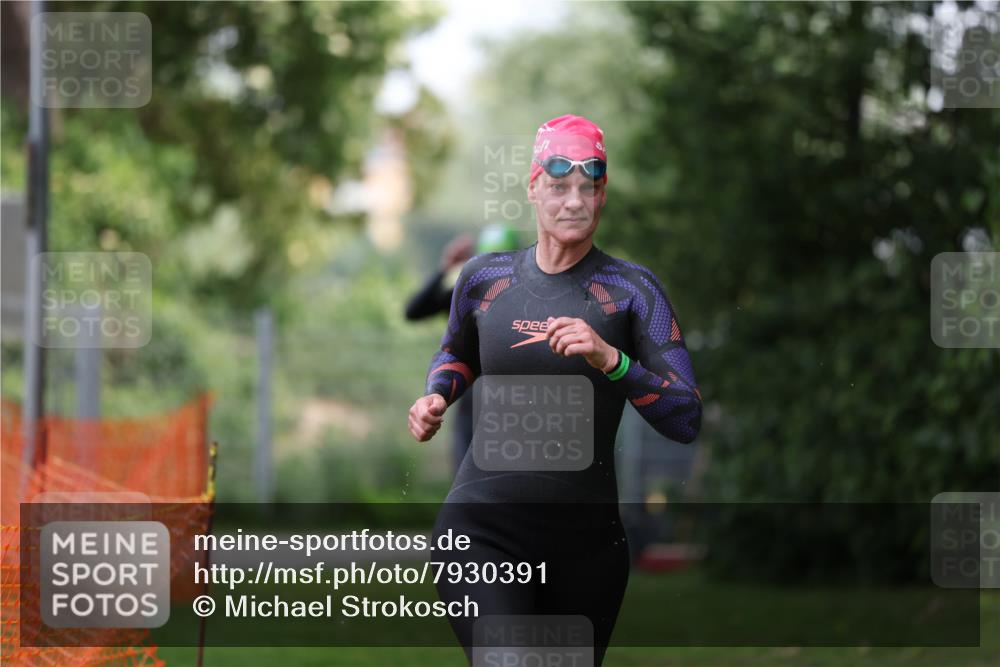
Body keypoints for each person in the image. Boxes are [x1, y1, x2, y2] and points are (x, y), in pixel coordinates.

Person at [407, 114, 702, 665]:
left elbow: (685, 418)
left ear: (603, 193)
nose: (573, 201)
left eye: (589, 187)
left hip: (586, 548)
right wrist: (437, 395)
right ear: (533, 186)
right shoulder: (483, 279)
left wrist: (612, 360)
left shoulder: (632, 292)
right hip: (483, 529)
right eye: (560, 186)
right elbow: (456, 352)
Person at [404, 225, 521, 472]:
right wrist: (444, 268)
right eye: (490, 262)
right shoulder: (467, 290)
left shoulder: (527, 295)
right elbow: (413, 311)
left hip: (510, 394)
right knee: (465, 466)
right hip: (469, 389)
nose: (495, 271)